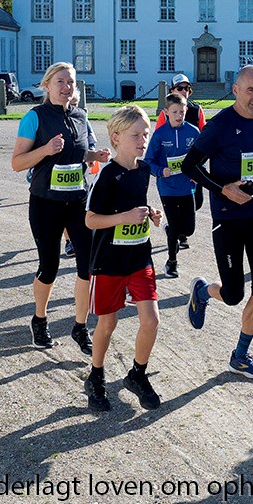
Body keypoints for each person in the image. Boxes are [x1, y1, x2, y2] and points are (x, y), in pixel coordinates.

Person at [182, 64, 253, 381]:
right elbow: (191, 165)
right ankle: (203, 292)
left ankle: (240, 356)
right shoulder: (219, 126)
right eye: (251, 90)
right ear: (235, 90)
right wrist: (222, 190)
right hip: (228, 220)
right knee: (232, 294)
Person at [11, 62, 110, 354]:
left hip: (78, 201)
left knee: (88, 266)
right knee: (50, 267)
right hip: (45, 203)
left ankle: (80, 327)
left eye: (71, 82)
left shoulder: (80, 115)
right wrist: (44, 150)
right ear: (47, 85)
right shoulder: (35, 117)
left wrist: (96, 155)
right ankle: (39, 319)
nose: (67, 87)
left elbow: (78, 153)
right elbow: (17, 163)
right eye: (61, 82)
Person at [83, 105, 164, 412]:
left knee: (151, 320)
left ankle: (137, 374)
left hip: (140, 256)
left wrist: (150, 214)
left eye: (146, 134)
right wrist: (123, 217)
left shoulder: (143, 169)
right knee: (108, 323)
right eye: (136, 135)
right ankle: (96, 376)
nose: (143, 140)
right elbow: (90, 220)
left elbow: (136, 205)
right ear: (116, 137)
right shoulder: (106, 175)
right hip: (109, 261)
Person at [143, 93, 200, 278]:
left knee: (189, 229)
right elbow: (148, 161)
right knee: (175, 226)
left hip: (187, 187)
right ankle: (171, 262)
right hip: (167, 188)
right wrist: (161, 171)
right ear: (166, 112)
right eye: (175, 112)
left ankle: (171, 231)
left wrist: (196, 174)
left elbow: (200, 157)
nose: (179, 115)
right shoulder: (160, 134)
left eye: (182, 112)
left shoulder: (193, 132)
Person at [156, 73, 206, 215]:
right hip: (173, 167)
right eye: (180, 88)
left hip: (193, 165)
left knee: (197, 203)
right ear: (172, 91)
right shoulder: (165, 114)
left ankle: (180, 230)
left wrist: (198, 164)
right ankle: (176, 232)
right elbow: (157, 142)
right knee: (176, 205)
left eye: (186, 88)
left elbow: (205, 140)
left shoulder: (196, 111)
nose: (184, 91)